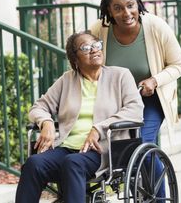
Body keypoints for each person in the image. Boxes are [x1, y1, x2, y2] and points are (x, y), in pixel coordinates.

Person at [15, 31, 143, 203]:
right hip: (67, 147)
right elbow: (38, 107)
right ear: (75, 59)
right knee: (33, 164)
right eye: (86, 48)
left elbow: (135, 109)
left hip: (102, 150)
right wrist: (46, 122)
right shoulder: (67, 80)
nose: (94, 50)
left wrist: (99, 129)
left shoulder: (120, 75)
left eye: (96, 45)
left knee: (72, 163)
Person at [90, 0, 181, 201]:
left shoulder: (155, 26)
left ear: (138, 4)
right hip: (116, 101)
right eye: (118, 8)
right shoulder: (99, 30)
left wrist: (154, 80)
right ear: (109, 11)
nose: (126, 13)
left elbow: (179, 65)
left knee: (142, 142)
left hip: (151, 99)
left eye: (130, 5)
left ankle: (158, 199)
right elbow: (85, 59)